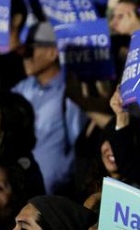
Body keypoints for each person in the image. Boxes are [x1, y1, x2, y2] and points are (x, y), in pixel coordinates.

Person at [12, 21, 88, 195]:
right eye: (23, 51)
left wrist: (58, 181)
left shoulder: (70, 92)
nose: (25, 57)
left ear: (53, 53)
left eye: (30, 50)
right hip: (18, 191)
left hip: (50, 194)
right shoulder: (22, 88)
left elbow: (78, 146)